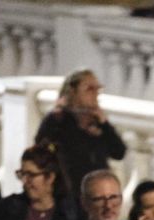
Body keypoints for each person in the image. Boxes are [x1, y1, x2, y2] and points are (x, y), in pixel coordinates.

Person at [34, 70, 126, 208]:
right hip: (67, 198)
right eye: (89, 89)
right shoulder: (58, 120)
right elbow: (40, 151)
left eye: (97, 89)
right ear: (73, 92)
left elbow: (119, 152)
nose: (95, 94)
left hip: (97, 197)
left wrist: (104, 124)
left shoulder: (97, 122)